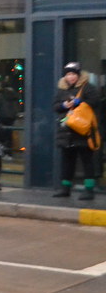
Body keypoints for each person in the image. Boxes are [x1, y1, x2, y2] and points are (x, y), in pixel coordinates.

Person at [52, 61, 100, 200]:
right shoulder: (62, 90)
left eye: (73, 74)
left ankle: (89, 189)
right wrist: (63, 105)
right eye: (68, 74)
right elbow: (55, 106)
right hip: (66, 130)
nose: (71, 77)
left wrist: (80, 102)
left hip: (83, 130)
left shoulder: (87, 88)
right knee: (67, 161)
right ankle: (65, 188)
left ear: (78, 75)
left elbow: (95, 101)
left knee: (87, 160)